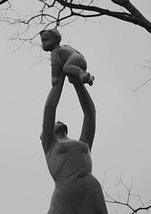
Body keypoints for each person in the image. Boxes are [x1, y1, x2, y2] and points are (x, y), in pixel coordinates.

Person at [40, 72, 108, 213]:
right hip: (65, 191)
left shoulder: (83, 143)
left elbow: (90, 113)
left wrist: (78, 83)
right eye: (55, 122)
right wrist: (59, 79)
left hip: (90, 188)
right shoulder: (49, 143)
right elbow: (50, 108)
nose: (58, 120)